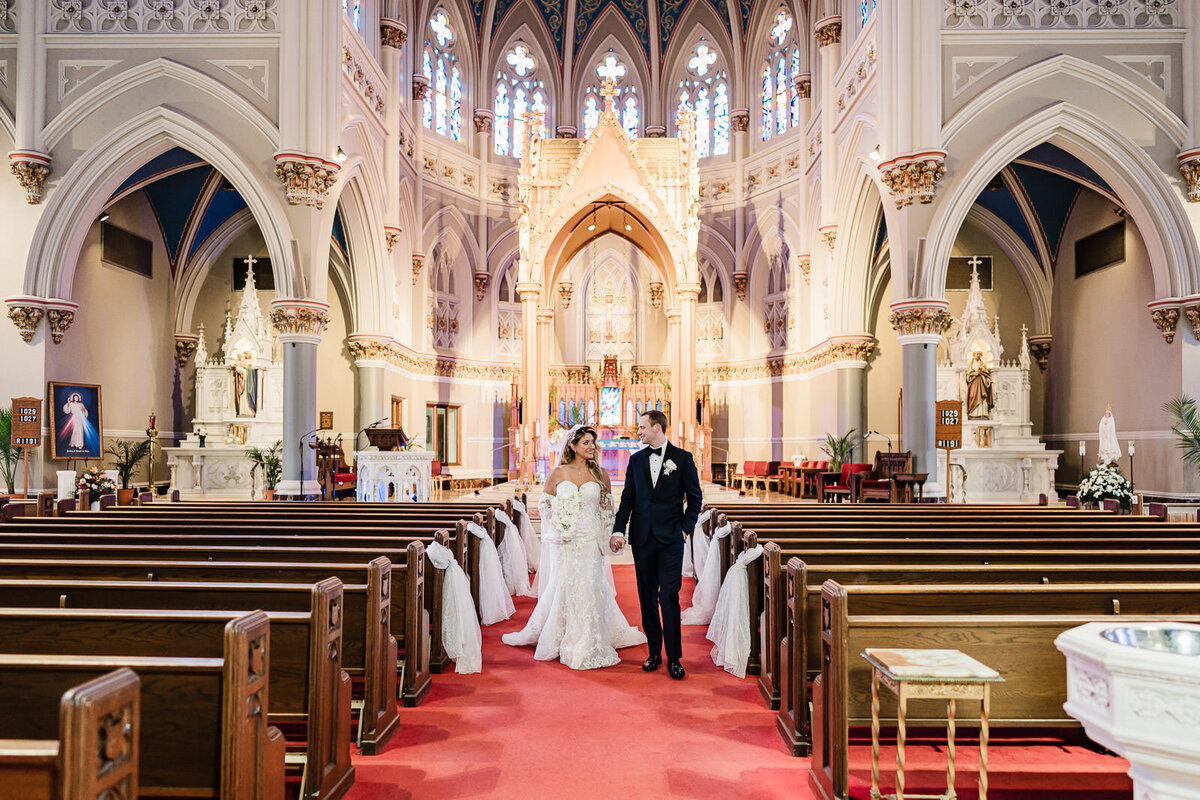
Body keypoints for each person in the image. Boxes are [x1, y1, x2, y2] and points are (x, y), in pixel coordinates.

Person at [502, 424, 646, 669]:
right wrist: (559, 526)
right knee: (566, 585)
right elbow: (546, 505)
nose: (592, 447)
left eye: (593, 442)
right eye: (586, 443)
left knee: (590, 586)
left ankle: (589, 640)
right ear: (572, 445)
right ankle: (562, 634)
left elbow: (606, 510)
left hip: (590, 541)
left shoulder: (601, 474)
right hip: (567, 542)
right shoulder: (558, 473)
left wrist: (612, 536)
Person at [610, 410, 703, 680]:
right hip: (642, 540)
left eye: (641, 427)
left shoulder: (682, 459)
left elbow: (695, 498)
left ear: (657, 428)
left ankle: (674, 658)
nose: (637, 431)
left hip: (671, 540)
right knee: (647, 598)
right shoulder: (636, 460)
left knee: (668, 597)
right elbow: (627, 499)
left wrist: (684, 530)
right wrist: (619, 529)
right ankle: (654, 652)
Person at [965, 349, 993, 419]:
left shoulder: (983, 364)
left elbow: (986, 374)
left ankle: (982, 413)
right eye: (977, 354)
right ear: (974, 354)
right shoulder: (970, 363)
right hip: (974, 382)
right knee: (973, 396)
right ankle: (973, 413)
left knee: (983, 397)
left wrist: (988, 380)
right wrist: (973, 373)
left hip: (982, 382)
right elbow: (967, 373)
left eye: (980, 354)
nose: (978, 355)